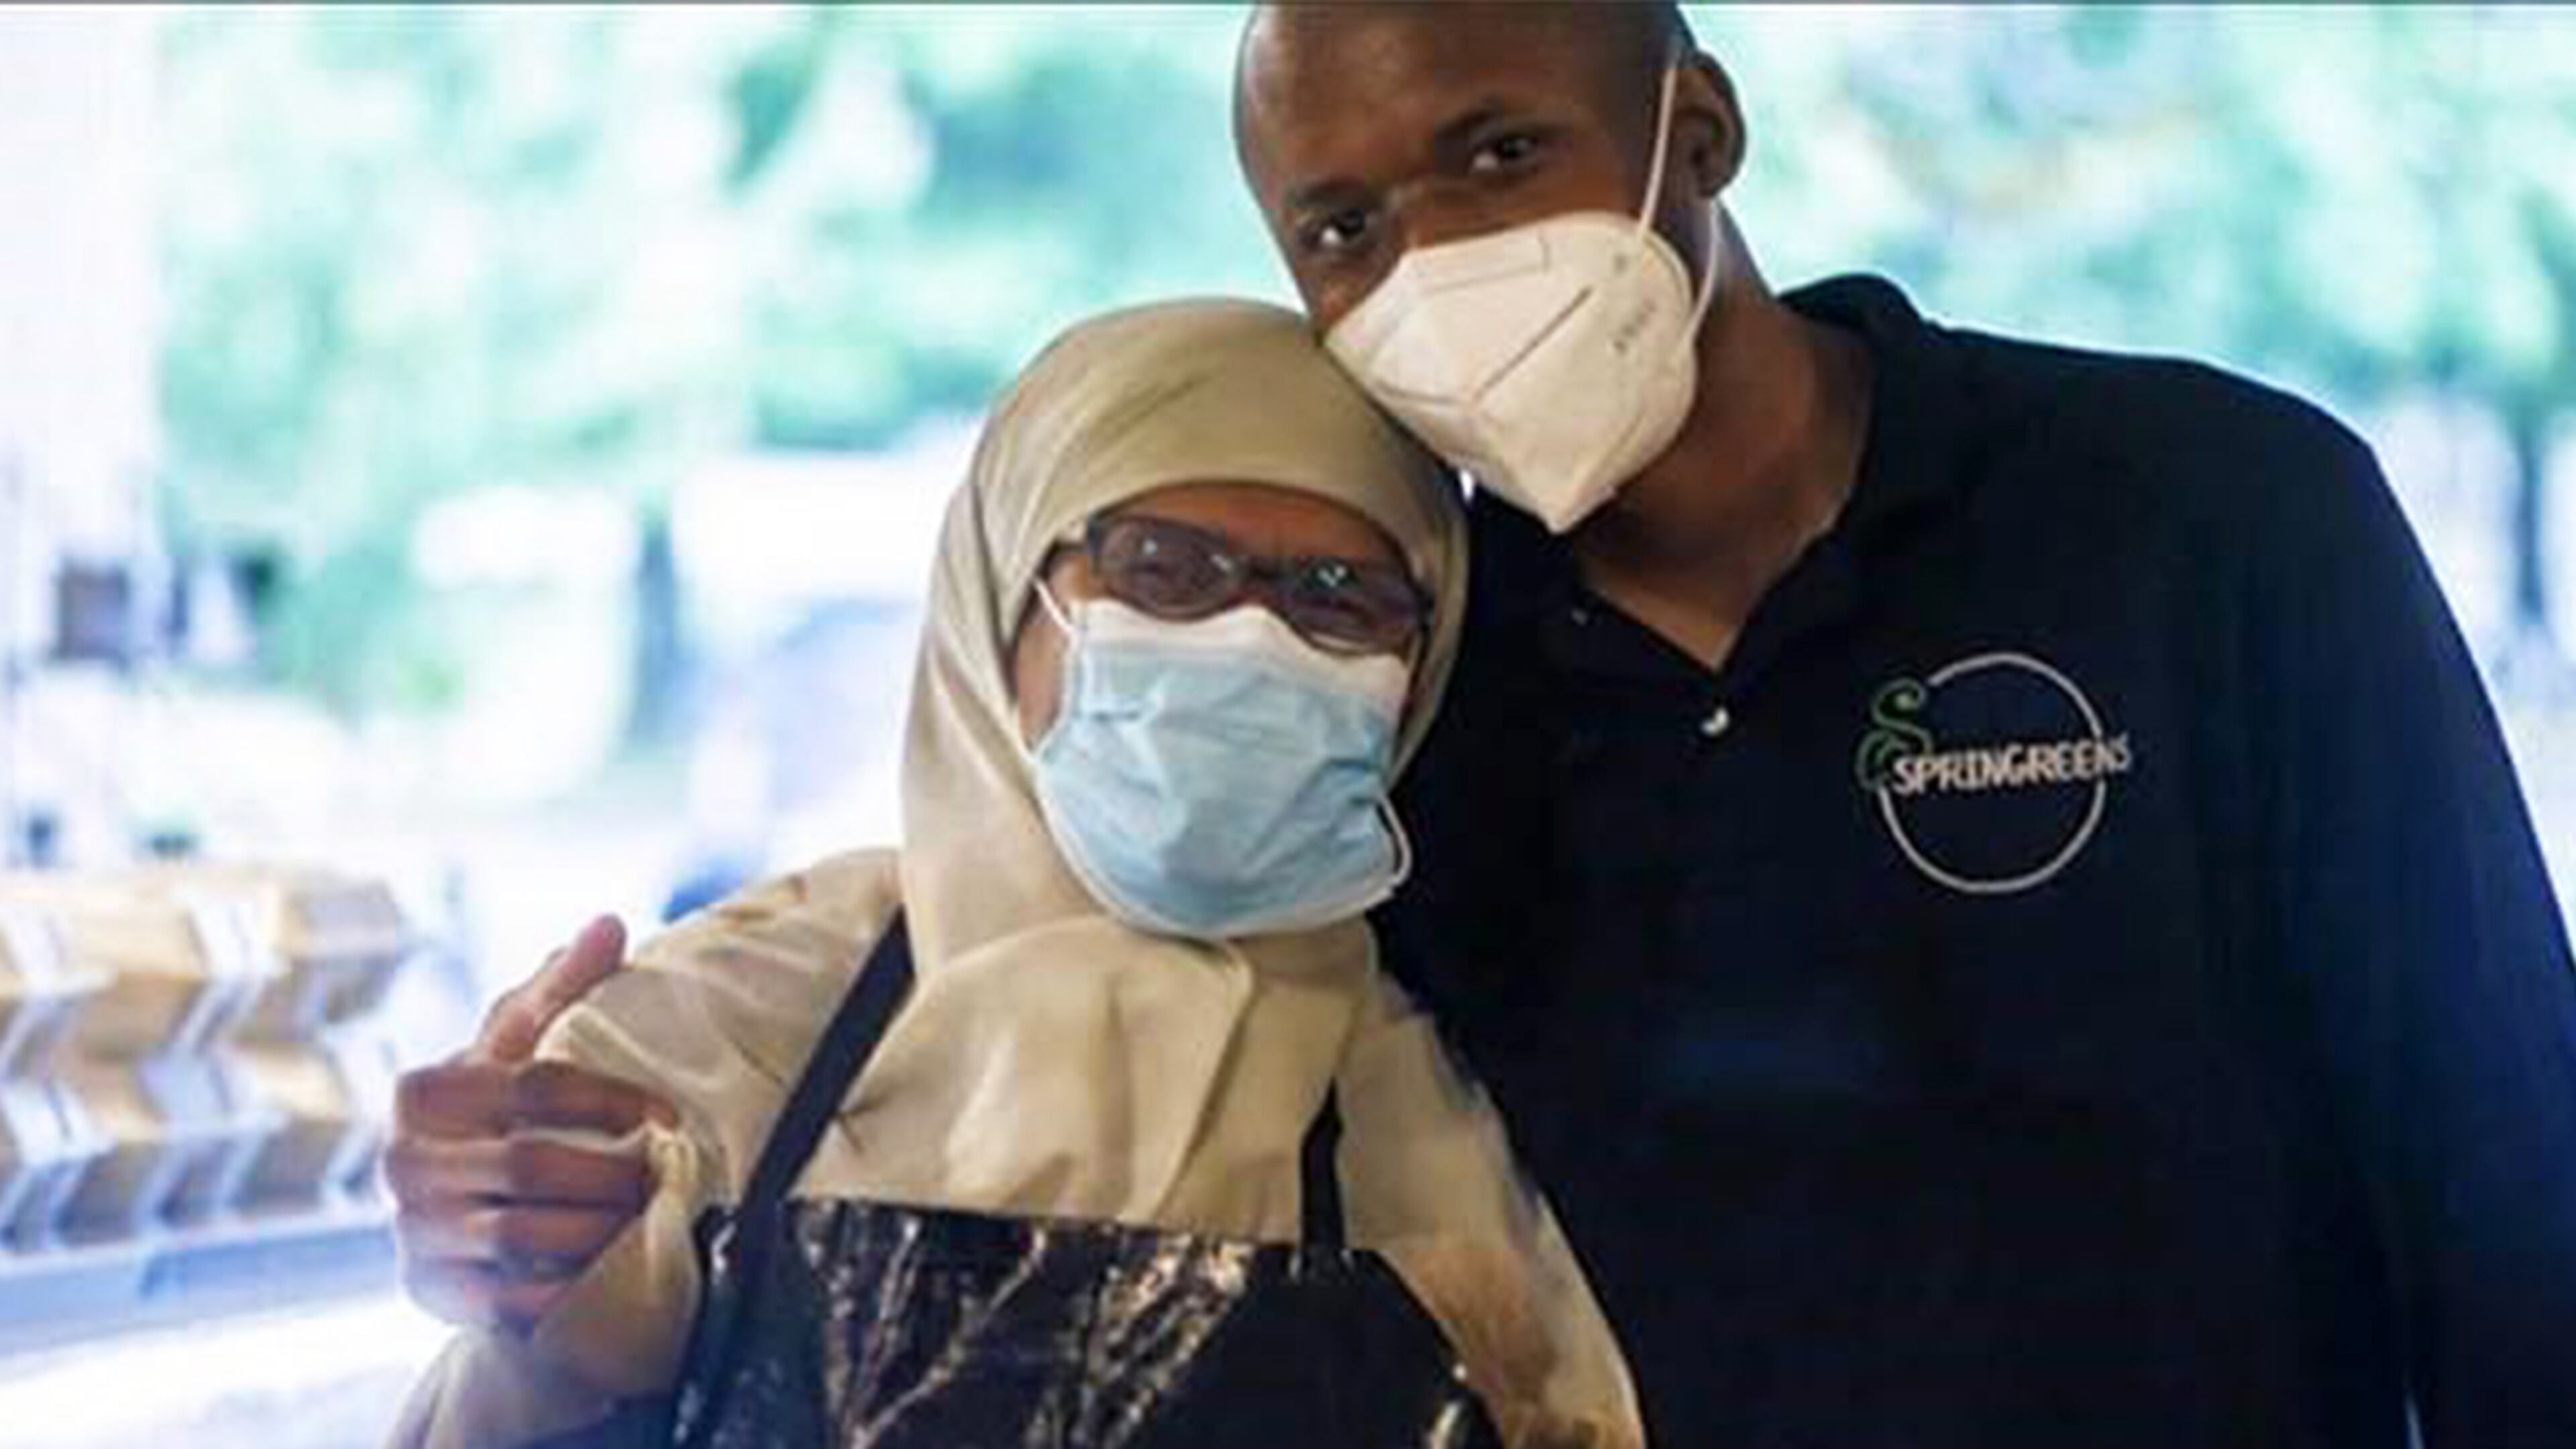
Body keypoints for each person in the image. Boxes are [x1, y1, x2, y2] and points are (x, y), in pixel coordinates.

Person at [395, 5, 2576, 1444]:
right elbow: (1047, 984)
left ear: (1697, 128)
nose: (1433, 259)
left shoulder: (2204, 515)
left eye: (1501, 153)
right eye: (1342, 225)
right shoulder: (1399, 697)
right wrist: (564, 1205)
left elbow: (2504, 1170)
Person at [386, 298, 1638, 1449]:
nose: (1253, 639)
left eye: (1340, 598)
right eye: (1165, 568)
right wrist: (533, 1277)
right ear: (1005, 596)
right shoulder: (742, 1023)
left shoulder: (1423, 1110)